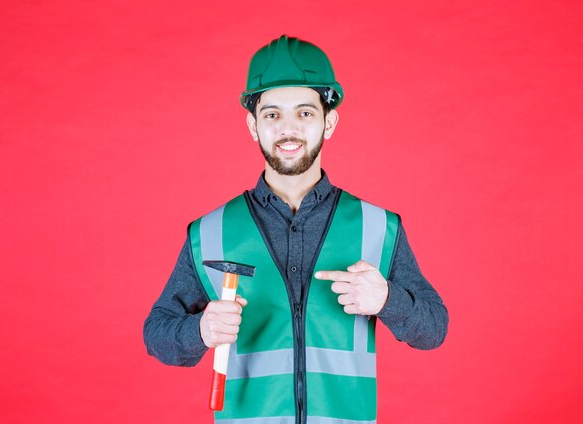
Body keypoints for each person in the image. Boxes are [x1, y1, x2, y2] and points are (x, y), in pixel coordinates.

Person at [144, 35, 448, 424]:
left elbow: (434, 329)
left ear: (329, 121)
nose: (289, 129)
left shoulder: (378, 228)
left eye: (304, 113)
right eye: (272, 115)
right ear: (253, 126)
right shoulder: (211, 231)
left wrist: (388, 299)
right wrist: (200, 330)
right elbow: (157, 334)